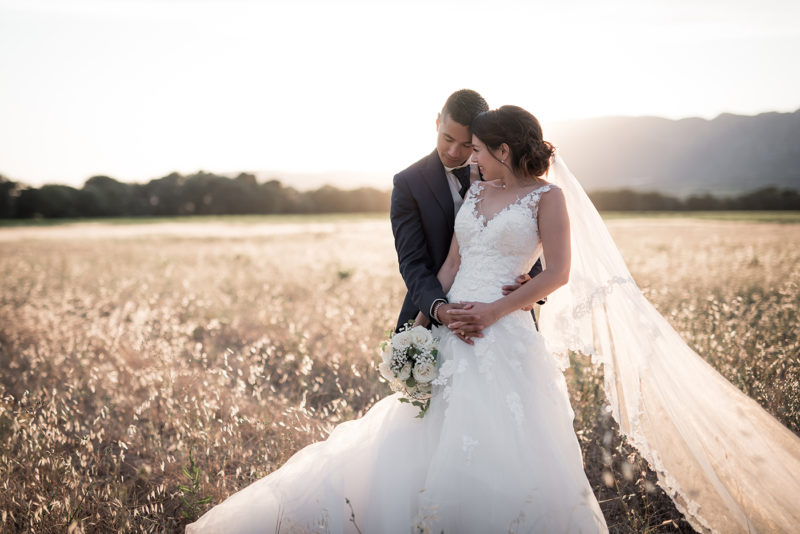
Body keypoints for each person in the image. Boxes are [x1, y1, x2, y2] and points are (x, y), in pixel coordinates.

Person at [185, 105, 610, 533]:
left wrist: (496, 310)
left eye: (477, 149)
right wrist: (419, 328)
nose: (470, 157)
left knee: (504, 441)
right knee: (421, 434)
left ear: (503, 150)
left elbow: (558, 272)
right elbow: (451, 265)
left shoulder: (548, 197)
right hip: (449, 331)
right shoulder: (477, 192)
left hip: (503, 335)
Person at [390, 89, 542, 338]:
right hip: (429, 312)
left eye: (467, 145)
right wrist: (438, 309)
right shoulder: (408, 183)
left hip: (506, 316)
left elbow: (528, 229)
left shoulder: (504, 172)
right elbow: (412, 262)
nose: (453, 152)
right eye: (447, 138)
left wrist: (532, 283)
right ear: (437, 122)